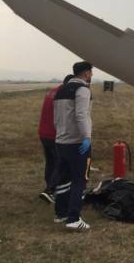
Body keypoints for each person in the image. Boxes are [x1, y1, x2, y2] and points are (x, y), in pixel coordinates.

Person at [52, 61, 94, 230]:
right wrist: (86, 137)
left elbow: (56, 118)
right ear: (85, 73)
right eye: (91, 72)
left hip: (61, 141)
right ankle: (74, 219)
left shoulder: (60, 90)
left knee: (63, 179)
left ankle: (60, 214)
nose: (91, 75)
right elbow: (82, 115)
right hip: (77, 143)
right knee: (79, 181)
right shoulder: (82, 89)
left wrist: (60, 134)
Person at [37, 74, 74, 204]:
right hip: (55, 135)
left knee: (50, 162)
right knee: (61, 163)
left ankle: (49, 187)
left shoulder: (52, 92)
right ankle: (50, 190)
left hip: (43, 133)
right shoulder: (64, 95)